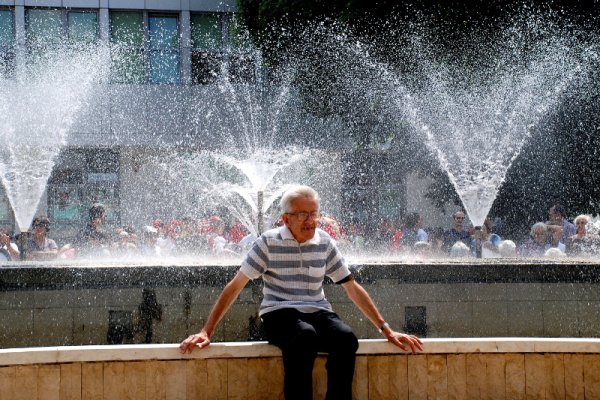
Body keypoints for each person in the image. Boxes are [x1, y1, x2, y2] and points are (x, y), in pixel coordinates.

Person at [179, 185, 423, 400]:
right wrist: (206, 331)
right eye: (303, 215)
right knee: (305, 336)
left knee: (346, 339)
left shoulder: (325, 242)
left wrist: (386, 328)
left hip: (317, 310)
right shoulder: (268, 242)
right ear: (286, 219)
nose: (310, 221)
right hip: (278, 313)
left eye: (314, 213)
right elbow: (235, 286)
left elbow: (351, 287)